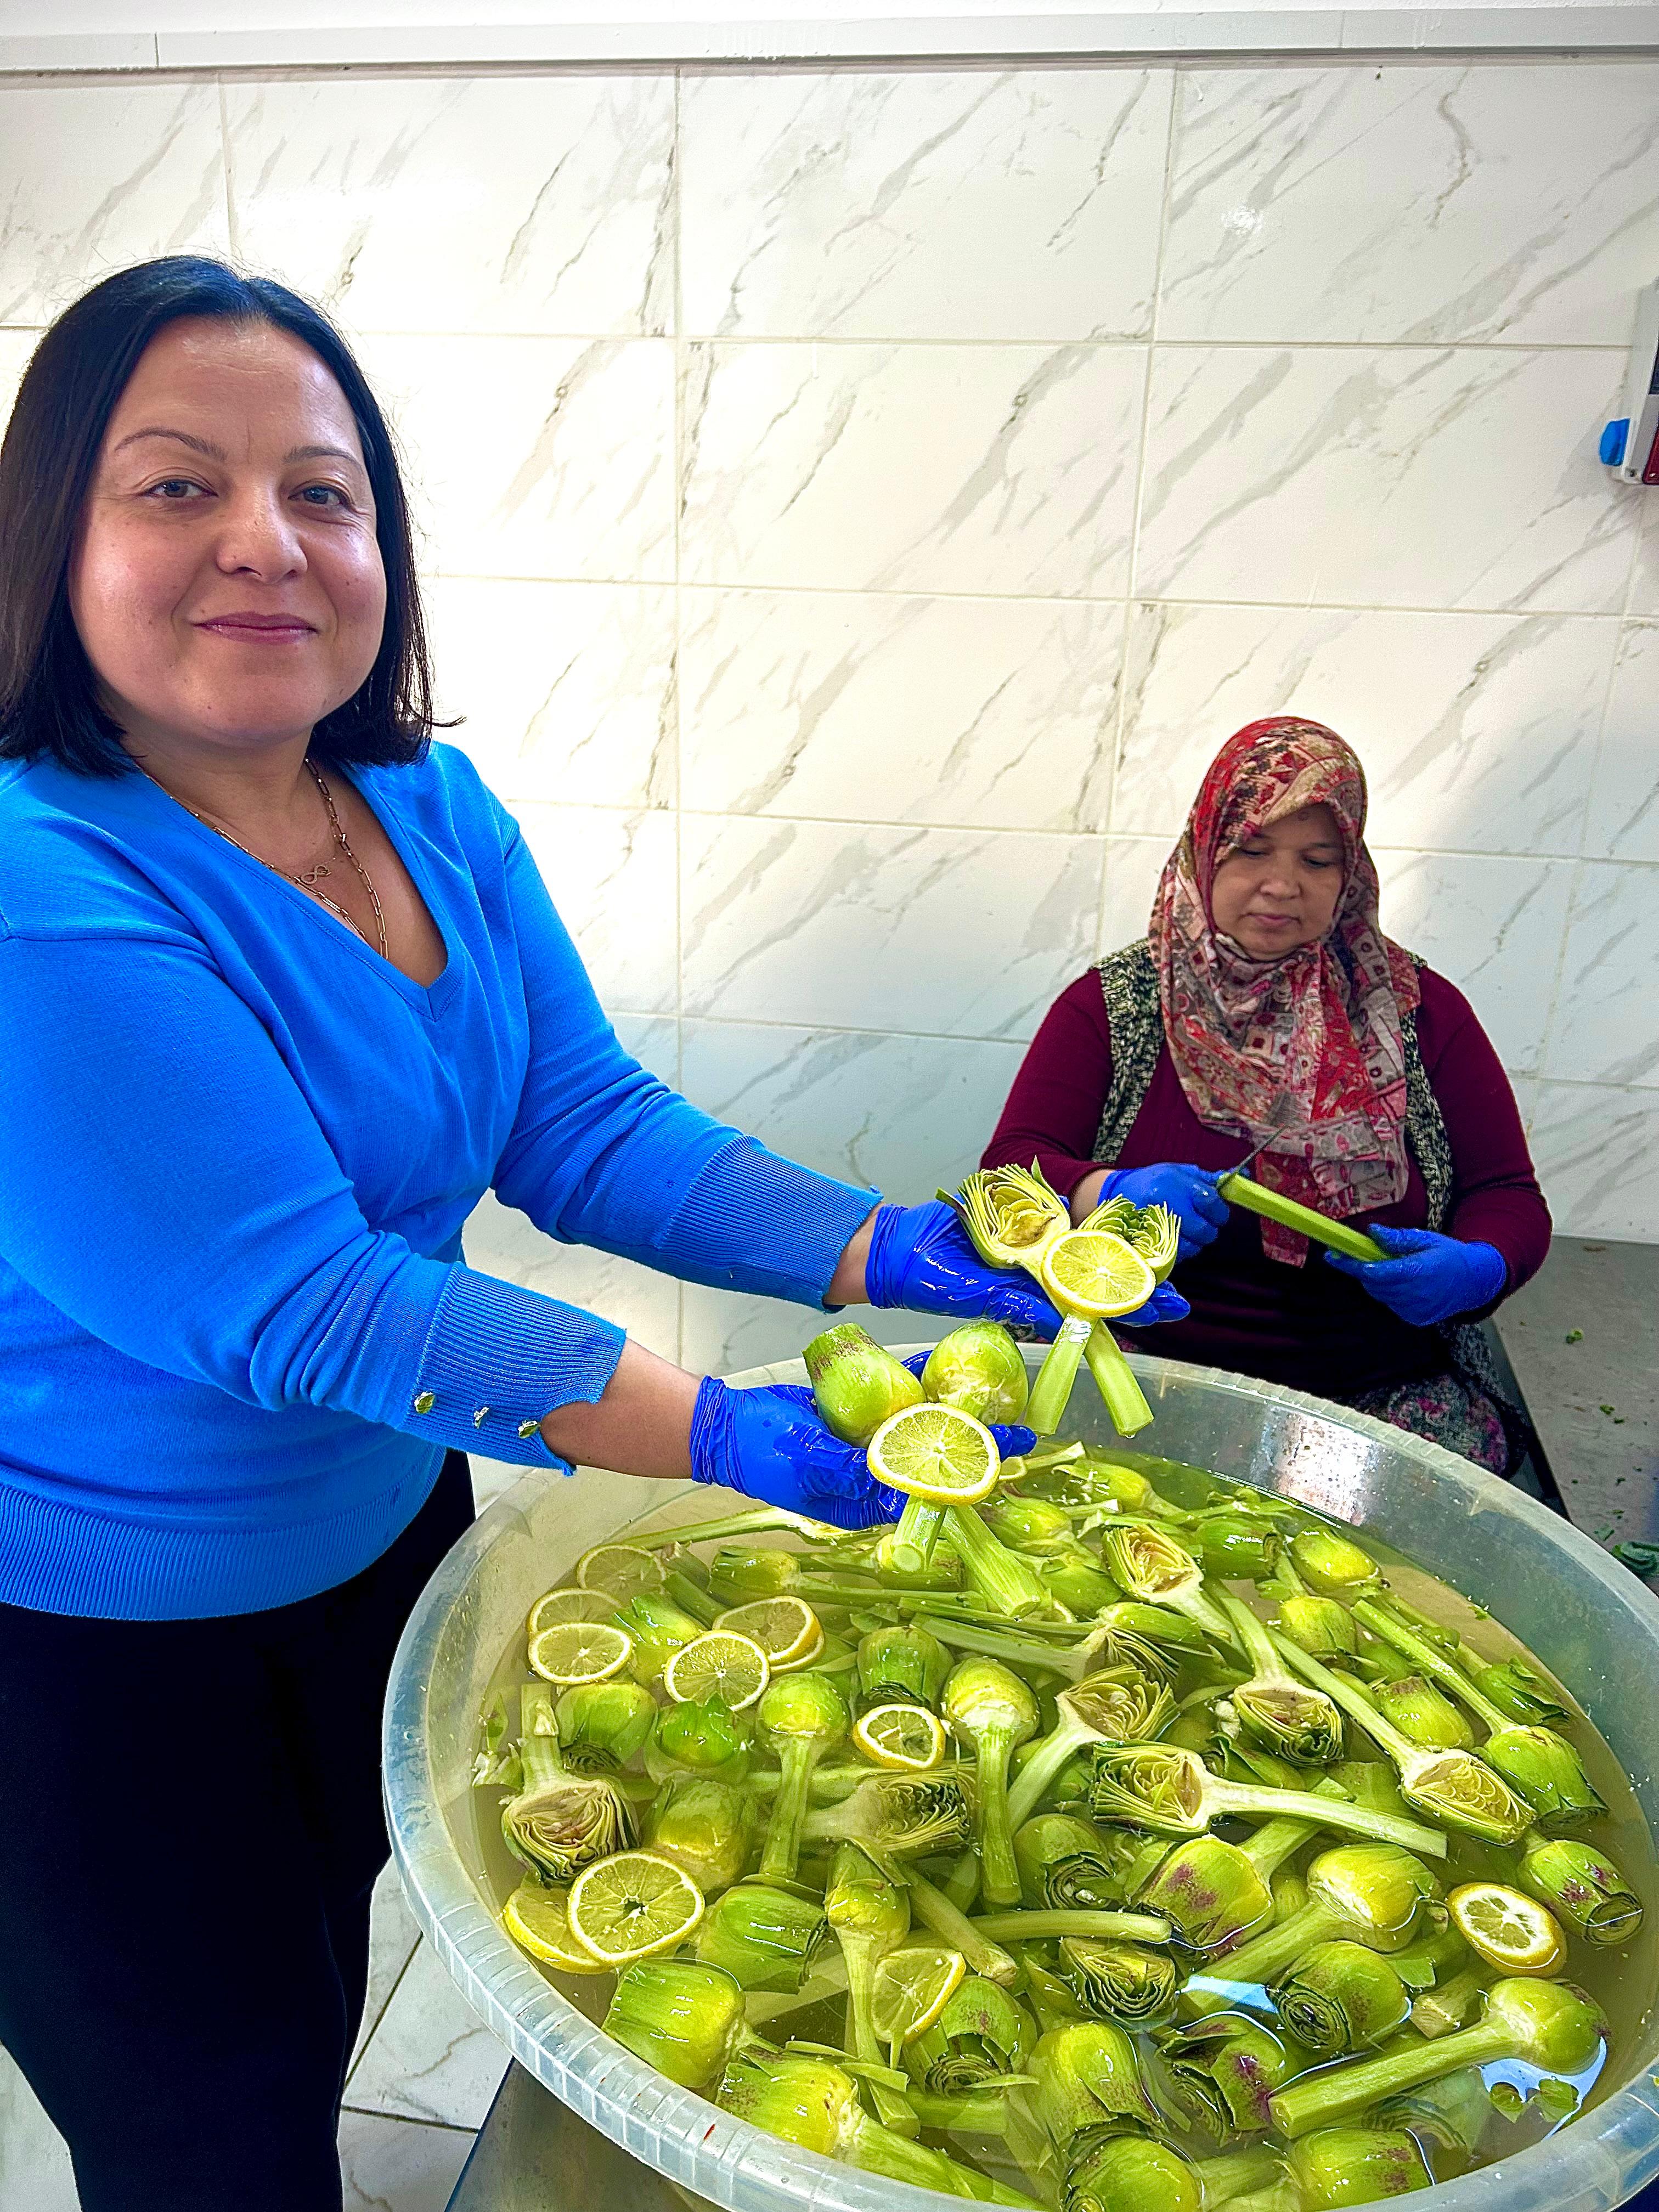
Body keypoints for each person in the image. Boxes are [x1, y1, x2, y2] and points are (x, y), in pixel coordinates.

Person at [0, 257, 1186, 2212]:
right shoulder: (44, 884)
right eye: (173, 486)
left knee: (311, 1991)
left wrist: (894, 1253)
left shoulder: (417, 798)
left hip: (373, 1549)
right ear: (53, 538)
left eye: (322, 490)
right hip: (93, 1655)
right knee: (199, 2118)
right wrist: (717, 1432)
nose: (263, 544)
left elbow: (585, 1125)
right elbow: (297, 1299)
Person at [984, 716, 1551, 1474]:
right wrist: (1104, 1191)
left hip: (1370, 1396)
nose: (1283, 885)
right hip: (1135, 1370)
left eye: (1318, 861)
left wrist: (1477, 1266)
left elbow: (1506, 1191)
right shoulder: (1115, 1006)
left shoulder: (1417, 1012)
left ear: (1351, 873)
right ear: (1205, 848)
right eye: (1252, 850)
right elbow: (1009, 1172)